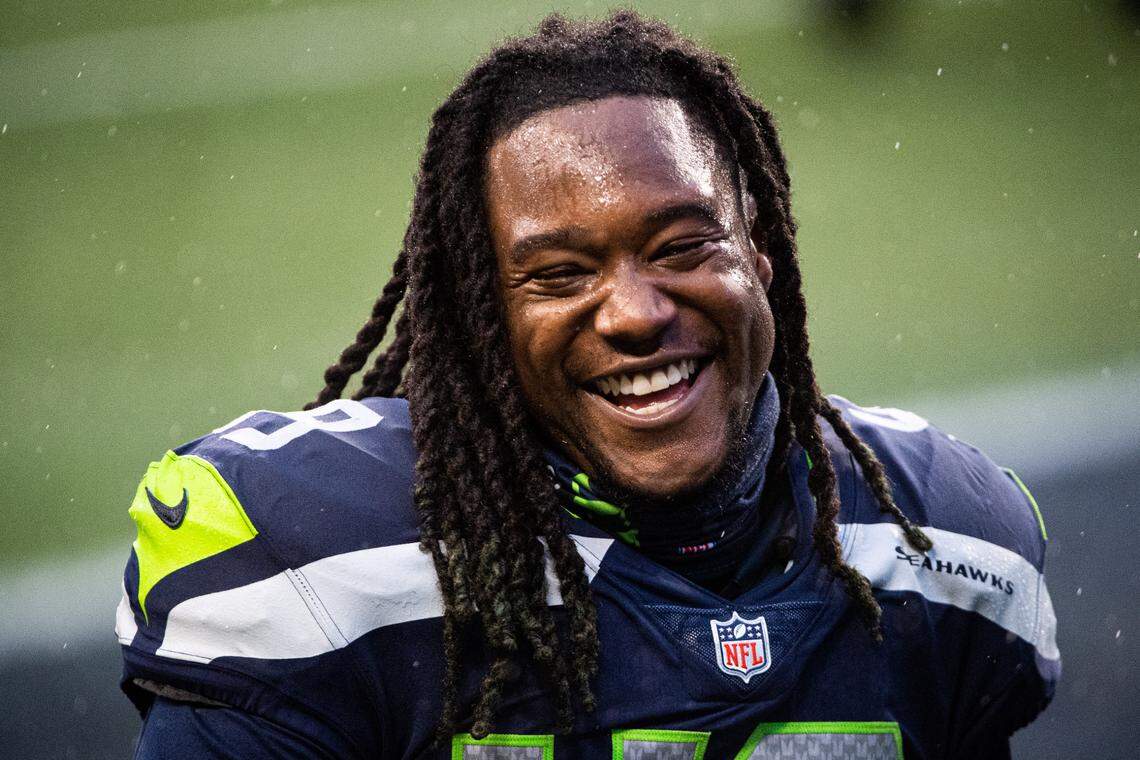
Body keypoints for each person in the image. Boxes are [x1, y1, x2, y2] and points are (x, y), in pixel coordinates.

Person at [115, 12, 1058, 759]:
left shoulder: (942, 544)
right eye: (560, 274)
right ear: (484, 316)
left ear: (760, 253)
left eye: (683, 247)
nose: (635, 312)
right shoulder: (319, 571)